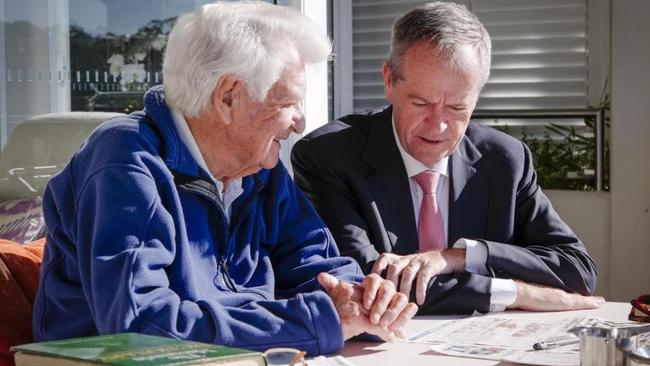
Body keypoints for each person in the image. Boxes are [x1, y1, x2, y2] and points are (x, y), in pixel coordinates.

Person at [33, 1, 417, 355]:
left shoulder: (260, 170)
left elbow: (317, 267)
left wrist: (366, 298)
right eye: (288, 103)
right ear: (229, 96)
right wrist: (320, 320)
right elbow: (141, 326)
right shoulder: (125, 161)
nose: (300, 122)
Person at [292, 1, 604, 315]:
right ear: (389, 80)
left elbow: (577, 270)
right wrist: (515, 293)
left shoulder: (504, 160)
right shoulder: (328, 157)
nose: (438, 125)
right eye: (420, 102)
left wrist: (462, 256)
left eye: (456, 107)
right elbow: (364, 284)